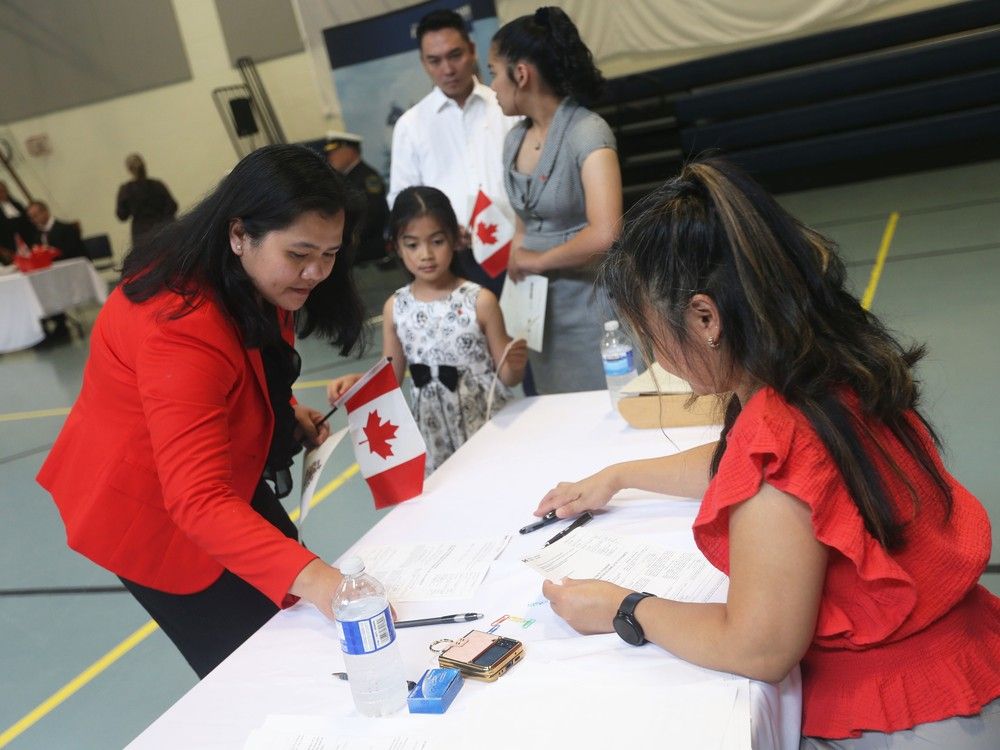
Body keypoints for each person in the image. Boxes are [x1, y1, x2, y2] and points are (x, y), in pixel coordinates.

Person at [536, 158, 1000, 748]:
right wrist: (619, 475)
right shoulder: (827, 362)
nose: (659, 355)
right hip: (970, 662)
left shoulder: (776, 430)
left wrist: (624, 607)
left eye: (653, 335)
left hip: (908, 717)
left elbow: (758, 646)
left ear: (705, 317)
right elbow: (749, 467)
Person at [38, 145, 368, 678]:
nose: (315, 273)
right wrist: (320, 580)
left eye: (329, 254)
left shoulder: (253, 278)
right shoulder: (180, 324)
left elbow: (253, 358)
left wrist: (280, 412)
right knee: (259, 666)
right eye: (300, 254)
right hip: (147, 508)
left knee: (300, 616)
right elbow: (195, 499)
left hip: (212, 480)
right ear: (240, 234)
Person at [328, 186, 527, 475]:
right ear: (396, 246)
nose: (426, 254)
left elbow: (508, 377)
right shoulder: (395, 307)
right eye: (412, 244)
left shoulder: (480, 300)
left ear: (456, 239)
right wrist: (356, 382)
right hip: (433, 433)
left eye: (437, 241)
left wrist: (516, 363)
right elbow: (390, 379)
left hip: (486, 422)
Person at [489, 7, 623, 395]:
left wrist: (538, 260)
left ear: (521, 73)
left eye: (494, 71)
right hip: (537, 314)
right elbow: (522, 224)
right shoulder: (513, 140)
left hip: (593, 308)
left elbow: (606, 234)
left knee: (604, 408)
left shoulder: (587, 131)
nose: (491, 84)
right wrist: (518, 270)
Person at [389, 9, 520, 298]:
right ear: (423, 63)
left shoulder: (507, 107)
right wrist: (443, 227)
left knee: (528, 340)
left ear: (472, 50)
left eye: (455, 55)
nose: (447, 69)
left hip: (518, 248)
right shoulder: (411, 125)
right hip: (455, 259)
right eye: (435, 61)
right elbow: (401, 199)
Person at [323, 131, 392, 269]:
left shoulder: (367, 178)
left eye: (335, 151)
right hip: (356, 254)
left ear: (350, 151)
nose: (330, 157)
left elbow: (372, 215)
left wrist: (347, 239)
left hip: (371, 256)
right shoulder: (345, 179)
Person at [25, 200, 88, 344]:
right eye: (31, 217)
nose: (34, 220)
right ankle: (44, 325)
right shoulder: (37, 236)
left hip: (67, 274)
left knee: (48, 287)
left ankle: (60, 323)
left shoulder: (66, 229)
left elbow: (75, 253)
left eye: (35, 216)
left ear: (45, 212)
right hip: (46, 276)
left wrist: (52, 255)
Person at [115, 153, 178, 247]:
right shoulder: (158, 185)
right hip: (162, 229)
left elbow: (122, 215)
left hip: (141, 233)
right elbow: (172, 207)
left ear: (129, 170)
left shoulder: (126, 190)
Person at [0, 180, 33, 264]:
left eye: (4, 190)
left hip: (28, 244)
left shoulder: (17, 204)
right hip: (8, 250)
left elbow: (29, 222)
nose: (2, 193)